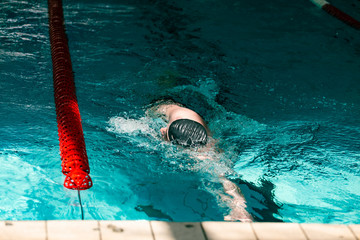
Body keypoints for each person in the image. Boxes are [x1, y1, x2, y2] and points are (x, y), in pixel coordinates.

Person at [146, 98, 253, 222]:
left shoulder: (205, 144)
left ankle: (241, 211)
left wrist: (239, 207)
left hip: (185, 113)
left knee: (219, 175)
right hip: (163, 105)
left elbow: (224, 180)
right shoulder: (162, 117)